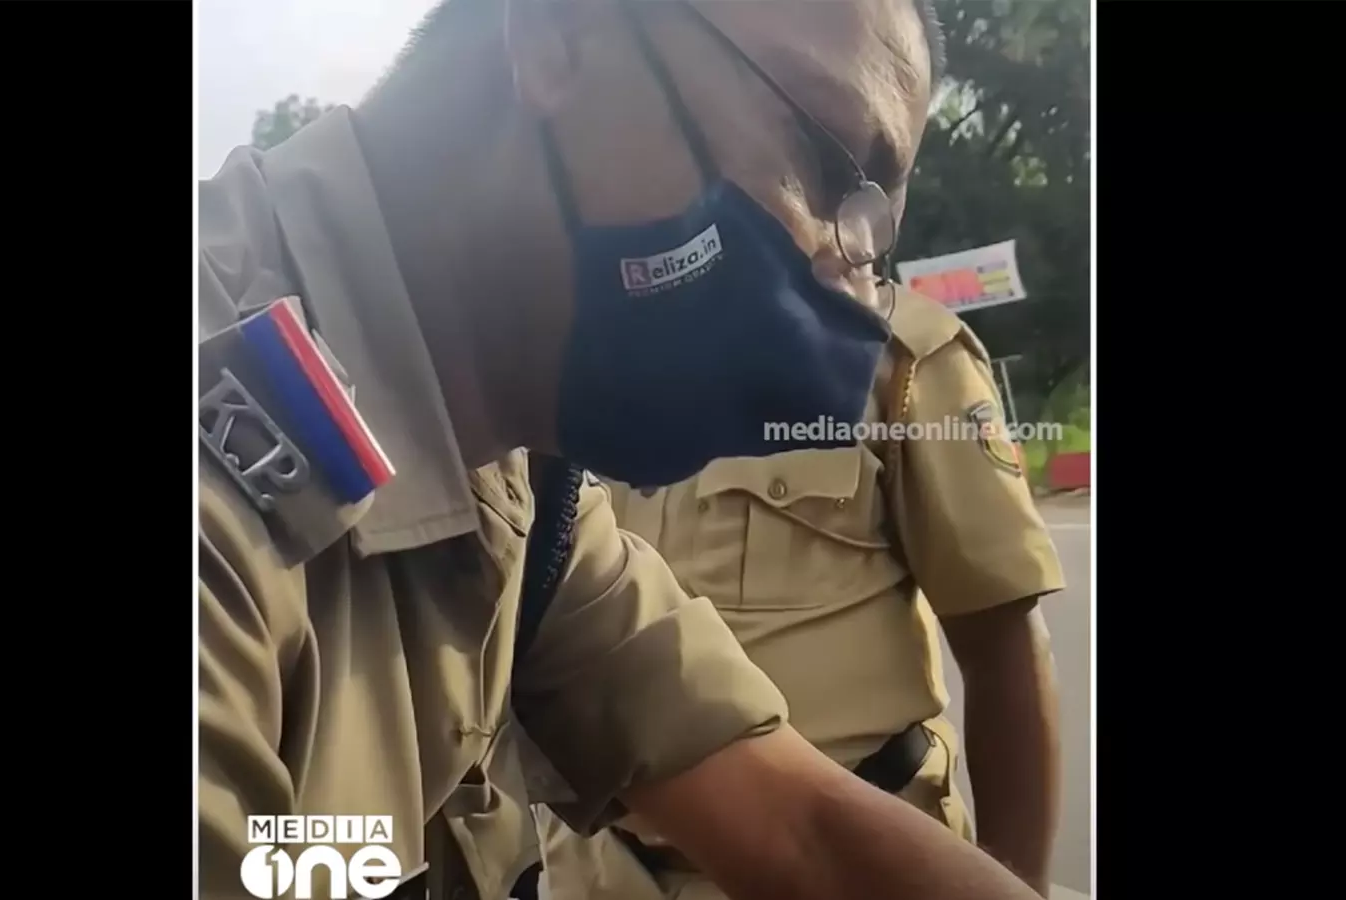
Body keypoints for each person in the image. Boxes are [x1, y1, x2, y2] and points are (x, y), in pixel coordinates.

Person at [197, 1, 1043, 899]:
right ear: (560, 36)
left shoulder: (519, 482)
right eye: (821, 164)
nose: (851, 283)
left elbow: (797, 825)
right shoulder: (226, 492)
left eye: (870, 228)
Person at [534, 281, 1068, 900]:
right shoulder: (586, 346)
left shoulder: (898, 354)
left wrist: (1018, 881)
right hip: (600, 871)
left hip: (842, 866)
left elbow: (1002, 644)